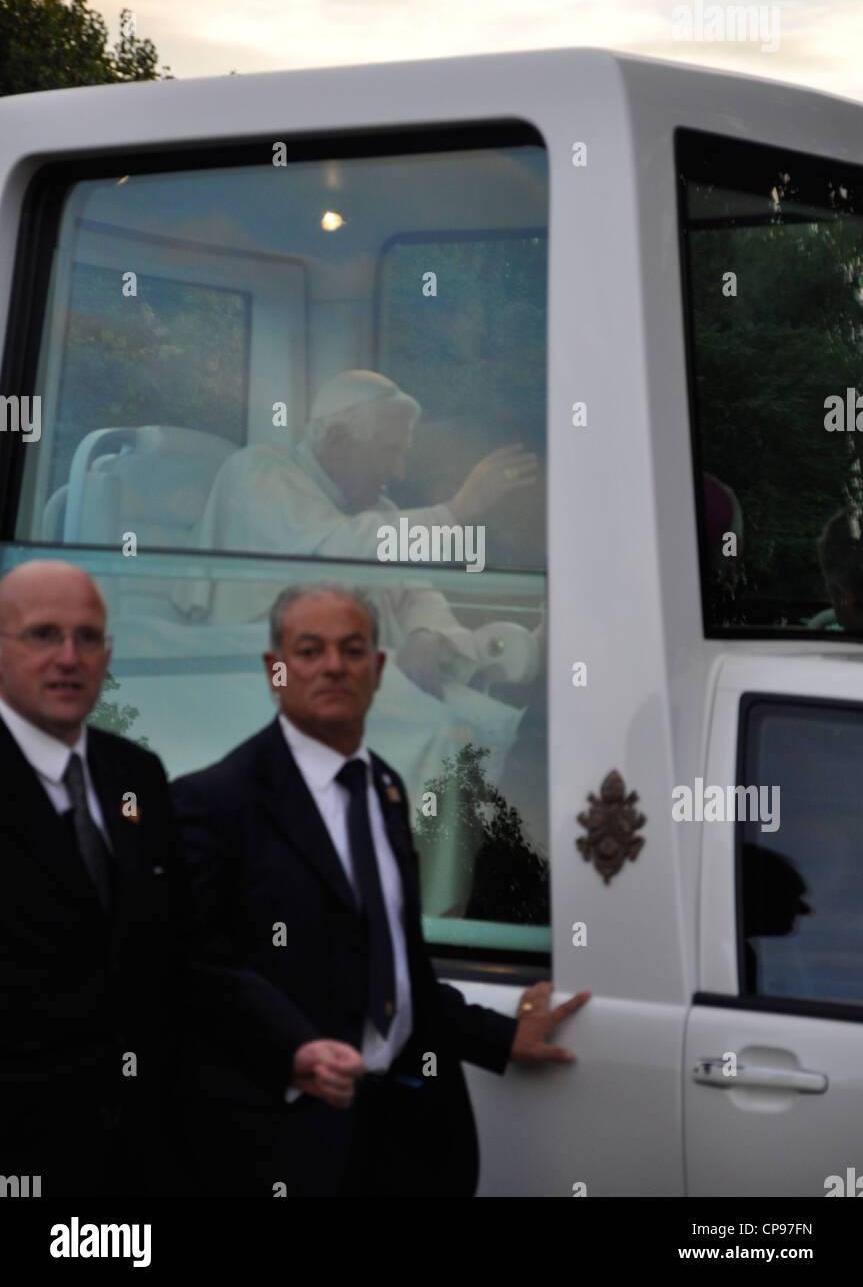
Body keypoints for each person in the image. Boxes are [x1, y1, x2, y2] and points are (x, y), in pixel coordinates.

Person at [171, 581, 589, 1197]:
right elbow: (191, 973)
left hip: (403, 1135)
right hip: (284, 1146)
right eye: (309, 650)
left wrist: (499, 1036)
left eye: (353, 649)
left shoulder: (387, 789)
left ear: (379, 668)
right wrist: (292, 1050)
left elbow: (395, 967)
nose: (333, 666)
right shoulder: (213, 803)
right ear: (275, 670)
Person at [172, 369, 541, 915]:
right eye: (389, 453)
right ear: (336, 440)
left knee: (491, 726)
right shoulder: (258, 473)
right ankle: (425, 911)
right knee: (447, 732)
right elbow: (328, 553)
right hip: (260, 673)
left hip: (364, 676)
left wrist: (425, 634)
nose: (398, 471)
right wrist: (457, 512)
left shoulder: (380, 511)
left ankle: (453, 896)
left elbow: (419, 592)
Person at [0, 560, 191, 1196]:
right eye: (42, 635)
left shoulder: (136, 774)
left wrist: (291, 1048)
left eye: (88, 638)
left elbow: (180, 954)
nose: (69, 657)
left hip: (139, 1154)